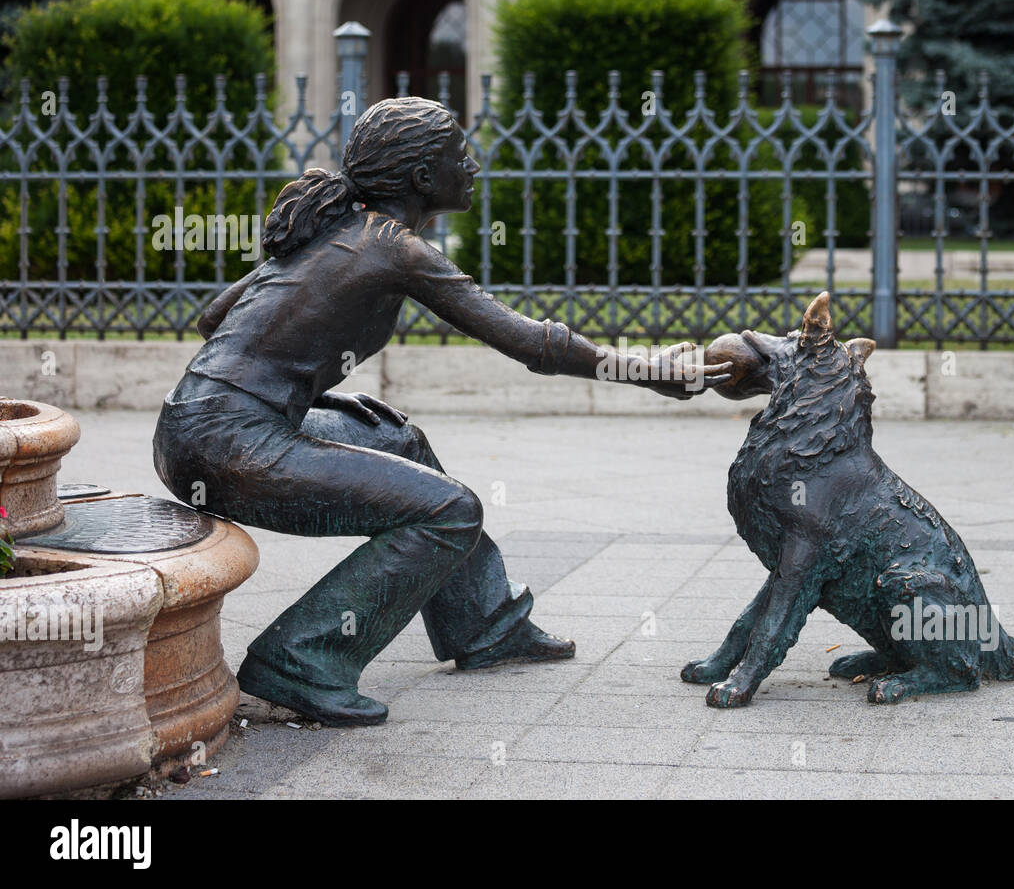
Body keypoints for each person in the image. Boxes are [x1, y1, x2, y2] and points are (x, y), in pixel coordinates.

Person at [153, 97, 730, 726]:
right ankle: (300, 659)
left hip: (194, 429)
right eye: (462, 155)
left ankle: (482, 626)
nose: (474, 166)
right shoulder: (394, 247)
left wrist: (293, 379)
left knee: (399, 440)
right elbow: (531, 343)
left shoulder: (336, 229)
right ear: (423, 179)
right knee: (449, 511)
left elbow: (215, 319)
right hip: (230, 447)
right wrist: (649, 370)